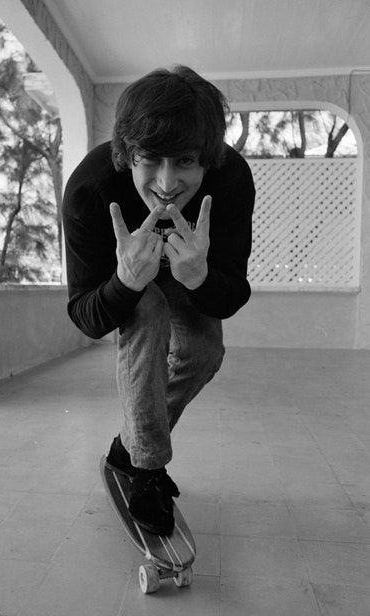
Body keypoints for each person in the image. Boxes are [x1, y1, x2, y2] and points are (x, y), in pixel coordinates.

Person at [62, 65, 255, 536]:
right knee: (146, 312)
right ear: (127, 154)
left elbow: (231, 295)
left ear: (208, 160)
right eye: (150, 159)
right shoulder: (89, 190)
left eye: (186, 162)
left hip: (191, 275)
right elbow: (86, 315)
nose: (167, 183)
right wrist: (125, 284)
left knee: (204, 351)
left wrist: (201, 276)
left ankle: (126, 448)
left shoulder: (230, 182)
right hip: (127, 280)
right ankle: (146, 470)